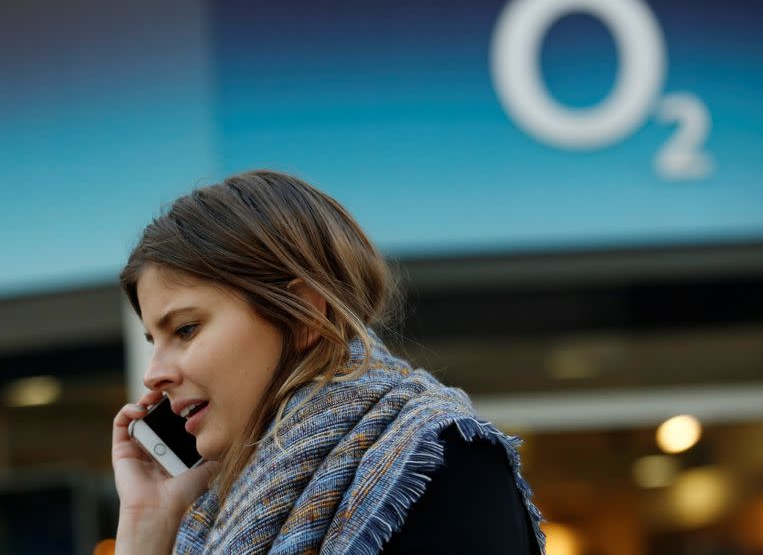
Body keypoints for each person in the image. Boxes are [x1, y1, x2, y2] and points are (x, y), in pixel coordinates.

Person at [112, 170, 546, 554]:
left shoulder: (440, 467)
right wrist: (147, 523)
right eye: (154, 341)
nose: (155, 374)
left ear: (302, 313)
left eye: (185, 330)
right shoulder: (211, 518)